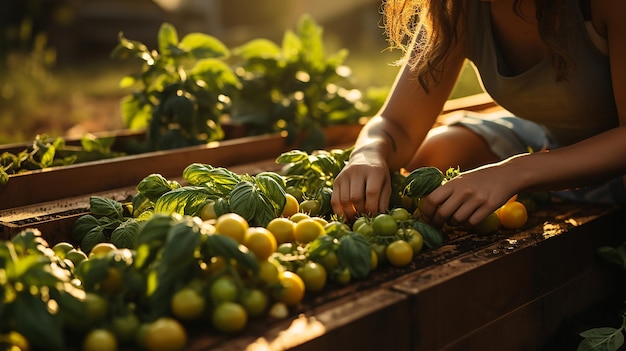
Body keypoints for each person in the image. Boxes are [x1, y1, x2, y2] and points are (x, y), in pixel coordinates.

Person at [330, 0, 626, 228]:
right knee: (435, 155)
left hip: (612, 164)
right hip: (548, 140)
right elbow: (397, 124)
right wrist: (368, 154)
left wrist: (516, 172)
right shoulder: (457, 8)